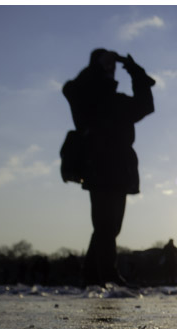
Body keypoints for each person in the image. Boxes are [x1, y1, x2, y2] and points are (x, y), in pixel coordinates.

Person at [63, 49, 155, 286]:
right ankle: (107, 274)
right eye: (105, 65)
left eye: (112, 66)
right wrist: (98, 66)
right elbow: (71, 89)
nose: (110, 68)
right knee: (104, 223)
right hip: (98, 164)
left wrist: (134, 70)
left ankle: (92, 274)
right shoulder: (85, 98)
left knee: (111, 226)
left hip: (121, 167)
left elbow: (145, 105)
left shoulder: (119, 101)